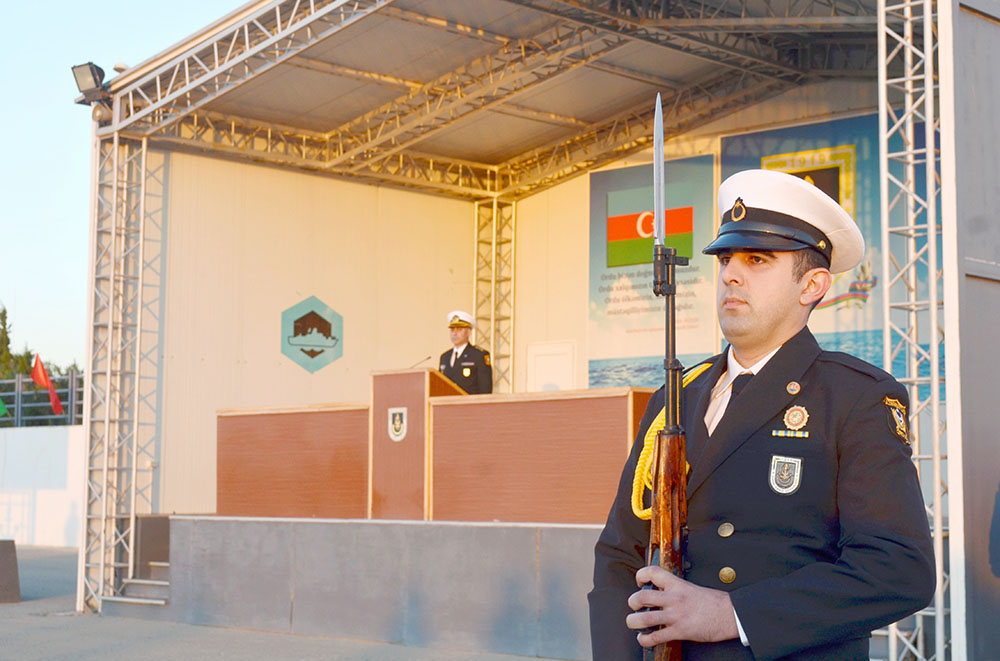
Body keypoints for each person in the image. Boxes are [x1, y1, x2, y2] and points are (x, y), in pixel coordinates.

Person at [589, 169, 935, 660]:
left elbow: (899, 569)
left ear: (812, 285)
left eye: (757, 259)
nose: (731, 273)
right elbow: (620, 553)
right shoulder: (675, 397)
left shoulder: (855, 397)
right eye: (726, 258)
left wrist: (732, 614)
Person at [439, 310, 492, 394]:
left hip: (470, 405)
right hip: (448, 405)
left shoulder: (479, 355)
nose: (455, 333)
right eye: (452, 330)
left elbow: (485, 389)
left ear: (469, 332)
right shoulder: (445, 357)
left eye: (459, 329)